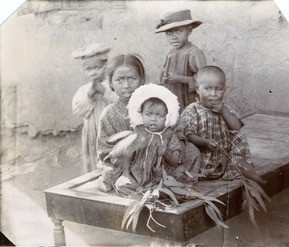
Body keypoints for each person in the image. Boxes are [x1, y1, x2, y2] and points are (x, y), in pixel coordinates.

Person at [178, 66, 252, 180]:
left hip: (223, 157)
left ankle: (233, 169)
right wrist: (205, 142)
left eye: (218, 89)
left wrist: (223, 111)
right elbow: (188, 135)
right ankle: (195, 175)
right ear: (197, 89)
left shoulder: (224, 108)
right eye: (207, 89)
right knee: (188, 147)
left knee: (239, 136)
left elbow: (236, 127)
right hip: (202, 157)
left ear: (224, 89)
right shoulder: (193, 110)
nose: (213, 94)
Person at [96, 54, 146, 192]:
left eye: (132, 79)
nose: (126, 86)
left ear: (142, 80)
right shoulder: (109, 113)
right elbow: (103, 150)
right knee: (110, 174)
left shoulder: (152, 106)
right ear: (111, 83)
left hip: (148, 161)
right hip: (121, 164)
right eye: (119, 80)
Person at [72, 43, 117, 173]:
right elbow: (78, 110)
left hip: (110, 130)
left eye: (97, 67)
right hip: (92, 132)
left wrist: (104, 93)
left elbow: (120, 103)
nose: (93, 72)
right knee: (93, 159)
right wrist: (89, 96)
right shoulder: (84, 90)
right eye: (88, 69)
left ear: (106, 66)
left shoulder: (112, 85)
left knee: (111, 159)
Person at [155, 9, 207, 112]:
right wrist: (161, 76)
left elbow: (205, 79)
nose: (173, 37)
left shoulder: (194, 53)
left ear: (189, 30)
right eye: (169, 33)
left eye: (179, 31)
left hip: (187, 100)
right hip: (172, 98)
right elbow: (166, 68)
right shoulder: (171, 53)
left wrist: (181, 79)